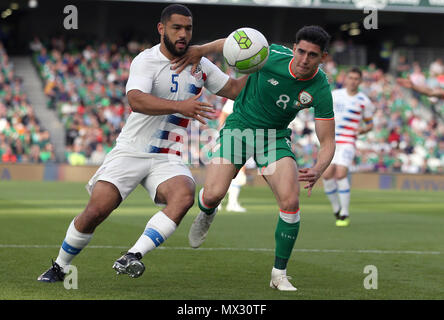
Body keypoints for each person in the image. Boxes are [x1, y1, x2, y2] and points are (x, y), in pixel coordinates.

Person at [37, 4, 246, 282]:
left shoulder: (201, 65)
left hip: (167, 156)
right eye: (177, 28)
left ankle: (132, 256)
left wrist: (258, 65)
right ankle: (60, 267)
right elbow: (136, 100)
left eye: (188, 28)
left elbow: (234, 90)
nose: (183, 34)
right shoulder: (146, 61)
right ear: (162, 29)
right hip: (130, 151)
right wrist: (180, 106)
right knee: (97, 211)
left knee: (184, 194)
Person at [173, 26, 335, 291]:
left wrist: (318, 167)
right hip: (240, 127)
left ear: (323, 58)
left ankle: (279, 274)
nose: (305, 59)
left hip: (274, 137)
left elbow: (328, 140)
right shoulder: (270, 56)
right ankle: (207, 211)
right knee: (213, 194)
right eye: (301, 51)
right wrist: (200, 50)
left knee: (291, 201)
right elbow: (233, 42)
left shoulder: (320, 88)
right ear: (294, 48)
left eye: (313, 55)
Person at [322, 67, 375, 227]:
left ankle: (344, 212)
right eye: (350, 78)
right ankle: (336, 208)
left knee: (340, 174)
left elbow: (370, 124)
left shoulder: (364, 101)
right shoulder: (335, 95)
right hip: (330, 140)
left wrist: (363, 129)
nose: (353, 81)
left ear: (360, 81)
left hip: (347, 141)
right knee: (326, 175)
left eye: (356, 78)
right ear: (346, 79)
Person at [218, 98, 247, 213]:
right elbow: (224, 114)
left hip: (246, 137)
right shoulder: (238, 97)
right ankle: (230, 203)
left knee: (232, 172)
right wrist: (221, 131)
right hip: (236, 135)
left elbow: (223, 114)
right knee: (232, 171)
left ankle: (226, 203)